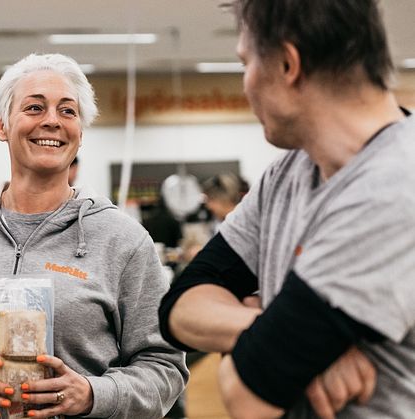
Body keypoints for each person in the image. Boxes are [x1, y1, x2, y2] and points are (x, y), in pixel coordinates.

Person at [158, 1, 415, 418]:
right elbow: (180, 307)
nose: (246, 84)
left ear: (287, 64)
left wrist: (256, 338)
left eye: (246, 63)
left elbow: (247, 395)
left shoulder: (396, 185)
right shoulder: (287, 173)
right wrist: (271, 331)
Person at [0, 53, 187, 419]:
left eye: (68, 111)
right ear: (2, 125)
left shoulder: (123, 240)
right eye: (34, 108)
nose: (51, 121)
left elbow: (165, 367)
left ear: (80, 132)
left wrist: (93, 394)